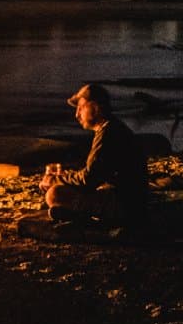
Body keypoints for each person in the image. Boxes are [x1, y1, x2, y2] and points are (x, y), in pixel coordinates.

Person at [43, 82, 150, 230]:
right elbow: (96, 173)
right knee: (62, 191)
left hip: (125, 203)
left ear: (95, 108)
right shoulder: (112, 128)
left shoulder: (108, 133)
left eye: (81, 108)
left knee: (54, 194)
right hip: (131, 197)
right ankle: (78, 214)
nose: (77, 114)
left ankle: (84, 217)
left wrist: (58, 179)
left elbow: (90, 178)